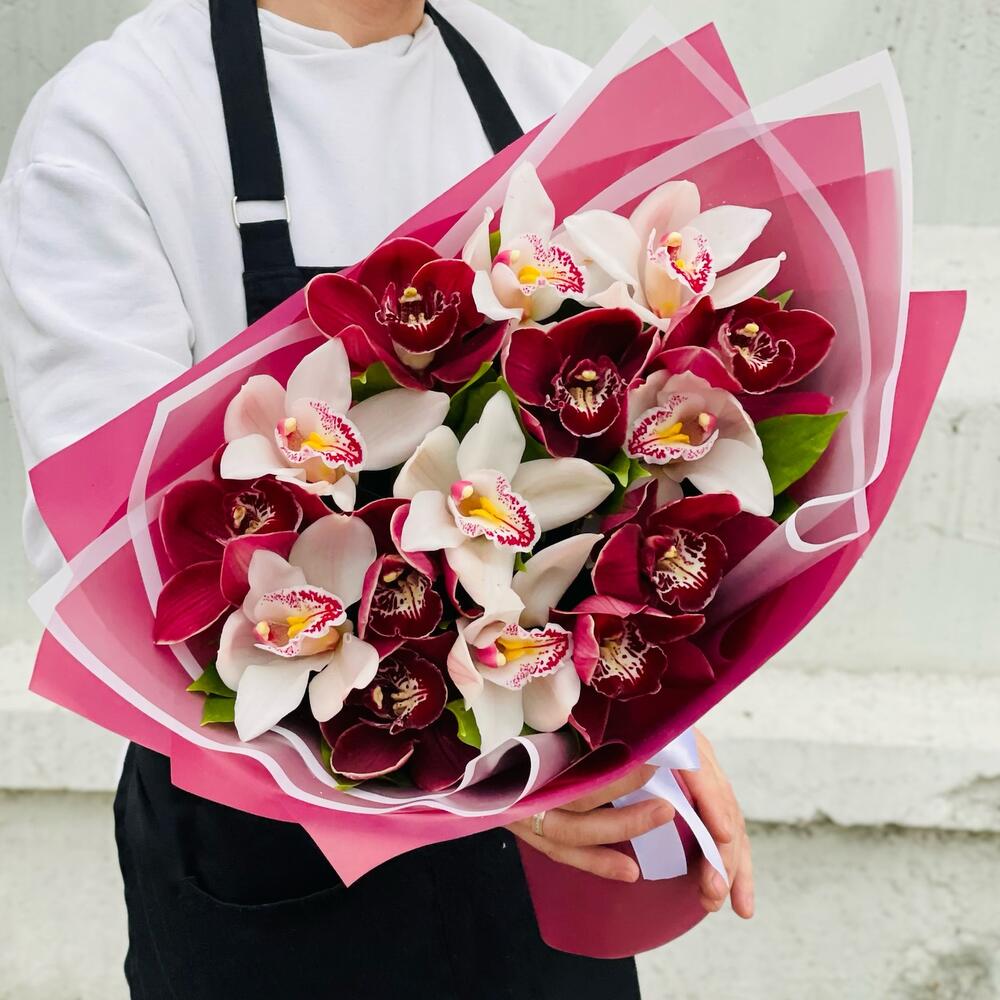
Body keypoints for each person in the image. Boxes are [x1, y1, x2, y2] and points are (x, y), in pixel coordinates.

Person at [0, 1, 754, 996]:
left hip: (552, 842)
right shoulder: (119, 122)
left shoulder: (558, 100)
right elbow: (109, 560)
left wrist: (650, 727)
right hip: (269, 852)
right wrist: (493, 772)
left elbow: (647, 480)